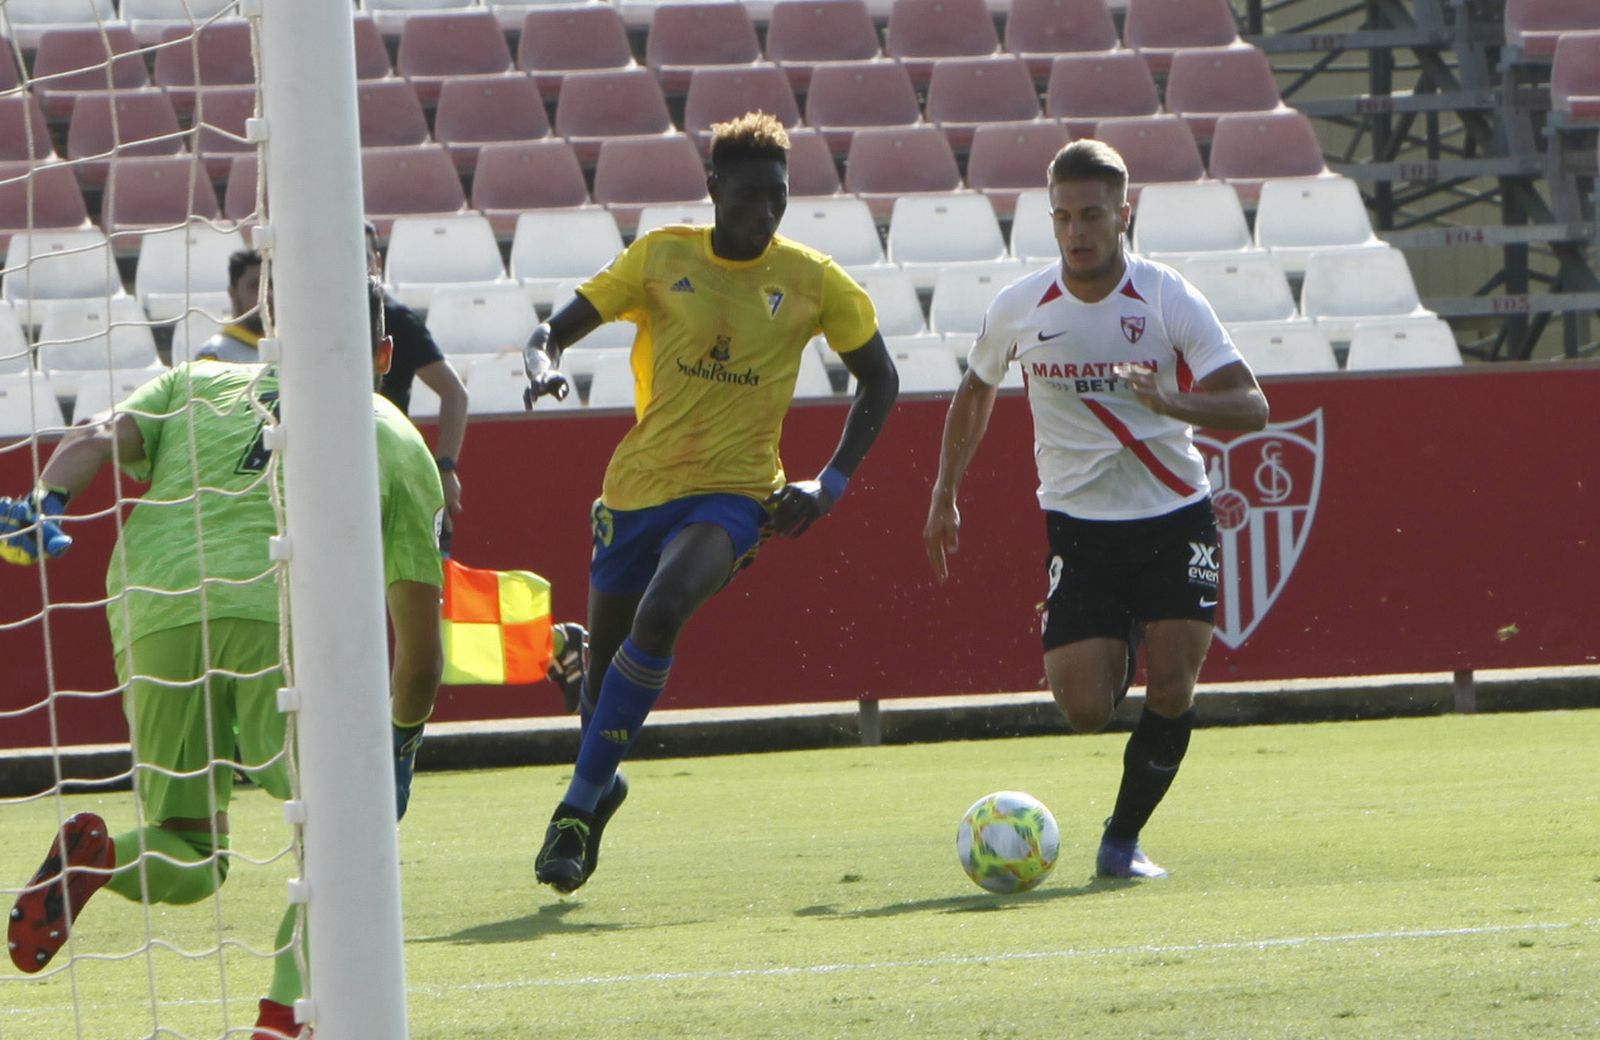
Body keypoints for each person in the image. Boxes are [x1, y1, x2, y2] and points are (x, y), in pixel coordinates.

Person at [1, 278, 446, 1040]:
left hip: (151, 611)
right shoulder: (394, 436)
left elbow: (99, 436)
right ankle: (282, 1020)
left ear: (269, 336)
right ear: (382, 355)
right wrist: (399, 742)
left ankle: (101, 859)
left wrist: (46, 498)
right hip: (276, 617)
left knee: (193, 845)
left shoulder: (196, 380)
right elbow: (420, 654)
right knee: (345, 842)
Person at [522, 112, 900, 894]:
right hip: (635, 493)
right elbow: (550, 333)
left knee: (663, 615)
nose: (767, 213)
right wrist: (541, 365)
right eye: (752, 196)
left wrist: (828, 483)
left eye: (780, 198)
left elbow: (881, 377)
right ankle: (599, 744)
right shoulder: (662, 257)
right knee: (603, 705)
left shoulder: (812, 281)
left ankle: (576, 808)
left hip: (736, 496)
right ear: (715, 189)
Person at [922, 140, 1269, 880]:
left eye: (1092, 215)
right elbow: (978, 389)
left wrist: (1169, 399)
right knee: (1085, 706)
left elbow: (1251, 404)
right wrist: (944, 492)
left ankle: (1122, 840)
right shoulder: (1021, 306)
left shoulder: (1168, 297)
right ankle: (1119, 634)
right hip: (1080, 529)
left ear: (1123, 215)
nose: (1078, 231)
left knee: (1173, 687)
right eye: (1064, 217)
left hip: (1174, 514)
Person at [363, 222, 470, 531]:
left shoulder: (397, 320)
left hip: (390, 465)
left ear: (377, 263)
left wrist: (446, 466)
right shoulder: (313, 319)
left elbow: (454, 393)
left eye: (364, 257)